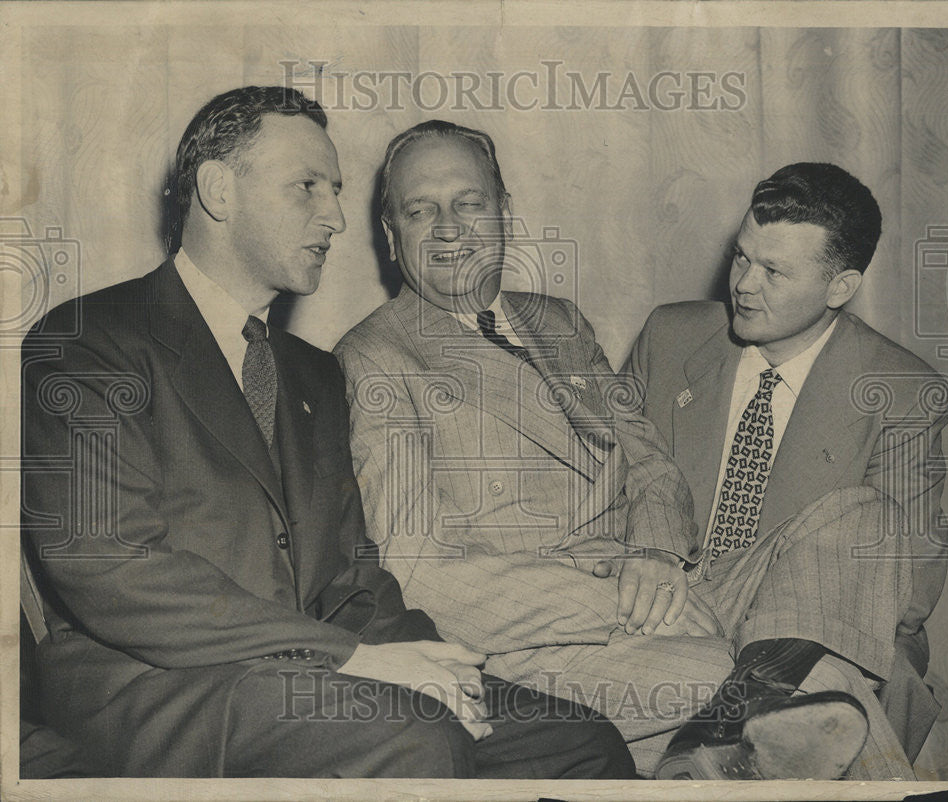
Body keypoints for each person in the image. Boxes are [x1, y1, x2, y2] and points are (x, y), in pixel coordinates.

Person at [20, 86, 634, 779]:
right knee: (417, 739)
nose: (337, 217)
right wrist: (349, 657)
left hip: (307, 682)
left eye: (336, 190)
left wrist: (438, 661)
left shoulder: (311, 373)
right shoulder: (88, 344)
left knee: (579, 740)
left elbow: (353, 579)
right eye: (307, 187)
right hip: (150, 688)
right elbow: (112, 568)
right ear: (219, 190)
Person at [335, 121, 915, 780]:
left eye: (468, 203)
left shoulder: (557, 320)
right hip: (547, 643)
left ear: (503, 212)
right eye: (419, 210)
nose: (447, 227)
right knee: (814, 683)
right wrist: (625, 602)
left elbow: (650, 463)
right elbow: (416, 574)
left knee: (865, 516)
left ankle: (732, 717)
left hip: (666, 585)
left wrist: (656, 555)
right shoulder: (374, 360)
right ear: (391, 235)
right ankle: (753, 703)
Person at [622, 162, 948, 765]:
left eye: (774, 271)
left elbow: (907, 590)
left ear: (840, 288)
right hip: (664, 608)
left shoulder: (899, 390)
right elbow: (609, 485)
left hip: (799, 631)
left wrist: (762, 627)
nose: (744, 285)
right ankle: (748, 732)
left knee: (863, 516)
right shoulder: (669, 336)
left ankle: (751, 706)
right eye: (742, 257)